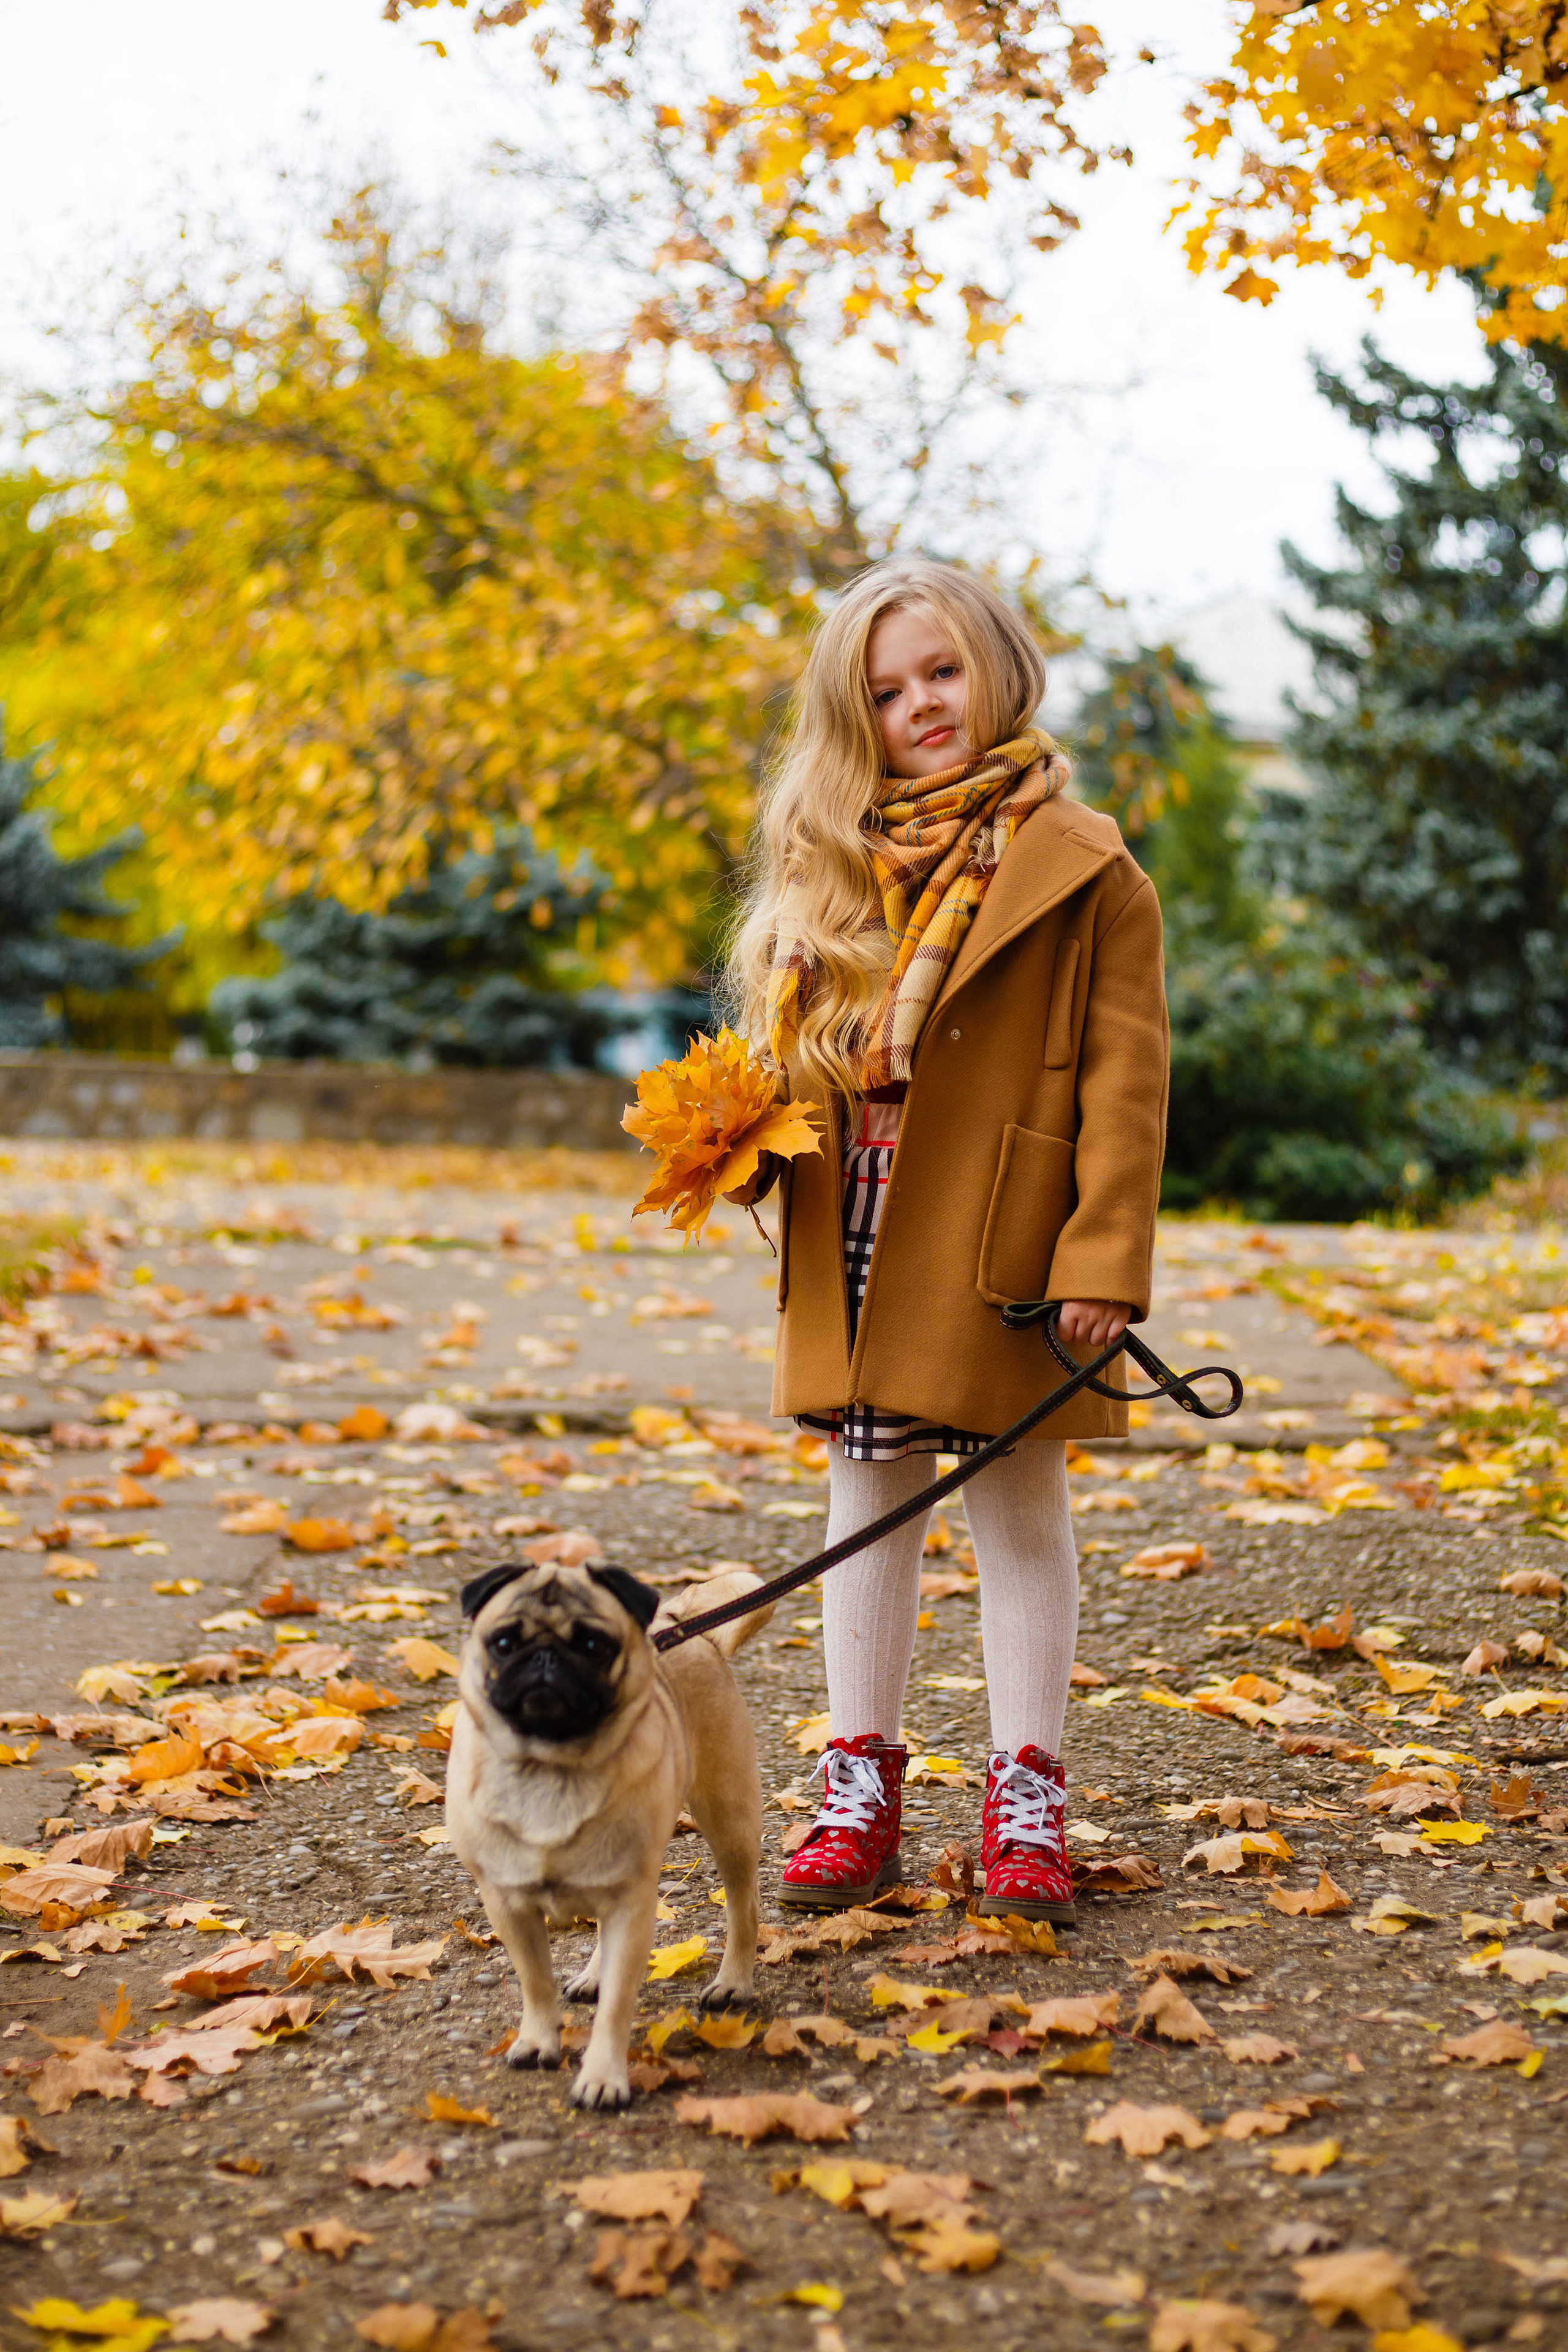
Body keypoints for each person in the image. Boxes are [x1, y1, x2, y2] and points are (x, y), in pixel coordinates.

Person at [723, 557, 1168, 1926]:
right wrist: (735, 1139)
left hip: (1005, 1234)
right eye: (885, 689)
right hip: (859, 1218)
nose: (919, 703)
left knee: (1019, 1505)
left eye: (941, 671)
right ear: (852, 712)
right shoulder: (832, 858)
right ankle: (856, 1787)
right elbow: (793, 1057)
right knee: (869, 1500)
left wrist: (1101, 1258)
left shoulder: (1089, 868)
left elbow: (1127, 1085)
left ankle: (1025, 1796)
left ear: (996, 669)